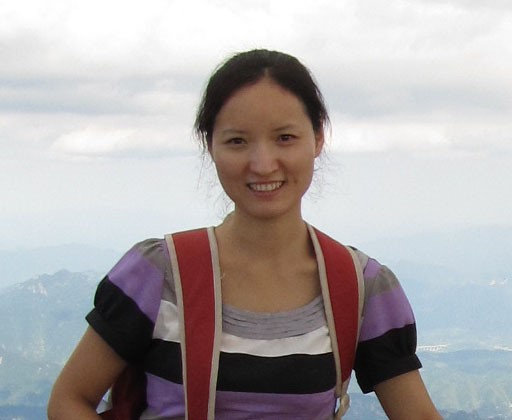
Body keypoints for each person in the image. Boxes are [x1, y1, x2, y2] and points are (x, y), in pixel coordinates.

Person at [48, 49, 442, 419]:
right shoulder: (157, 274)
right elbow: (69, 400)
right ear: (210, 146)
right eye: (237, 141)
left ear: (318, 138)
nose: (263, 164)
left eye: (284, 138)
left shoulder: (359, 287)